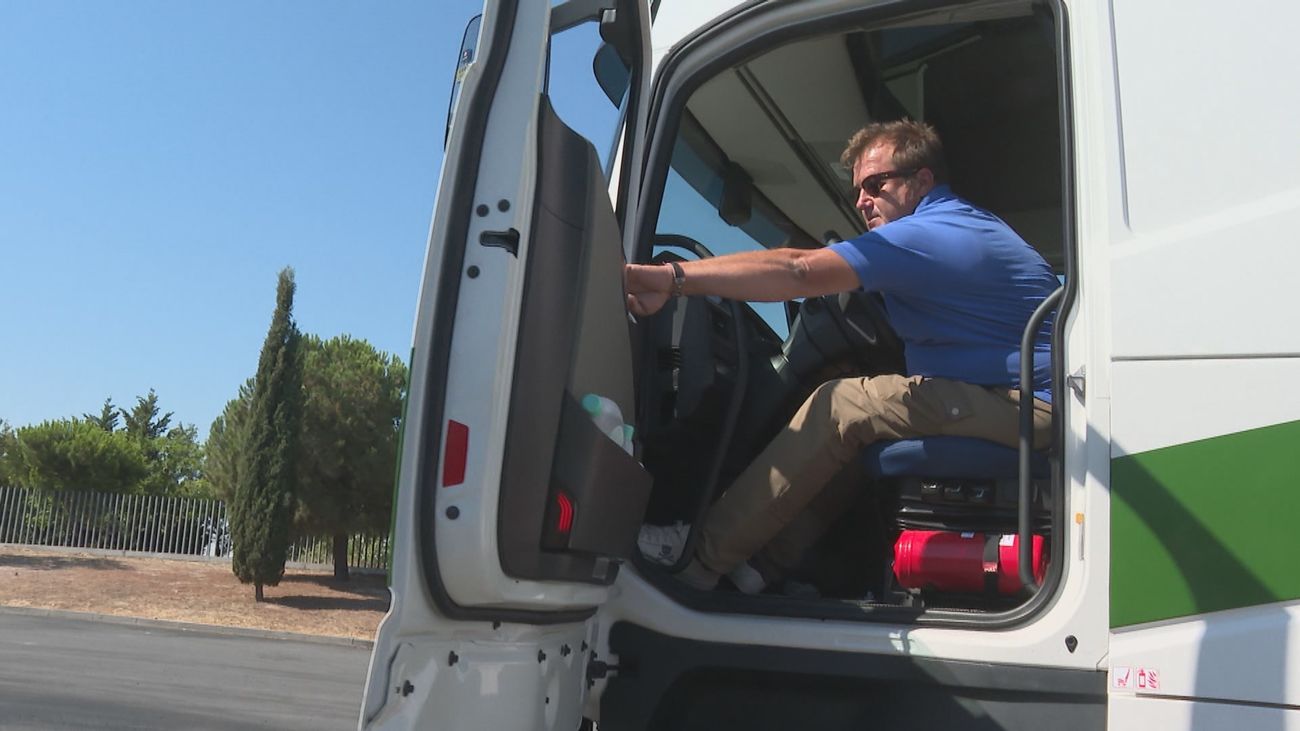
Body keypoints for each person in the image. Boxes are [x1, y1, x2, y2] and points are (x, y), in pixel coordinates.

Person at [626, 120, 1059, 593]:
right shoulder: (962, 225)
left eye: (877, 184)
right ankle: (761, 566)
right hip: (1016, 404)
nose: (862, 201)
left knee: (841, 404)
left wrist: (673, 278)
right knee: (862, 422)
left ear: (922, 181)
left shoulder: (928, 234)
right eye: (857, 190)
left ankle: (696, 555)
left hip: (1023, 407)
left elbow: (798, 271)